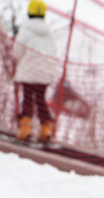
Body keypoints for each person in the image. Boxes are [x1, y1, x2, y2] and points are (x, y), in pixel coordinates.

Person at [12, 1, 58, 143]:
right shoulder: (48, 31)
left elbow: (17, 51)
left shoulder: (26, 29)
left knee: (27, 99)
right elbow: (54, 51)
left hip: (29, 72)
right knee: (40, 99)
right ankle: (46, 129)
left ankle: (25, 128)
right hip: (45, 73)